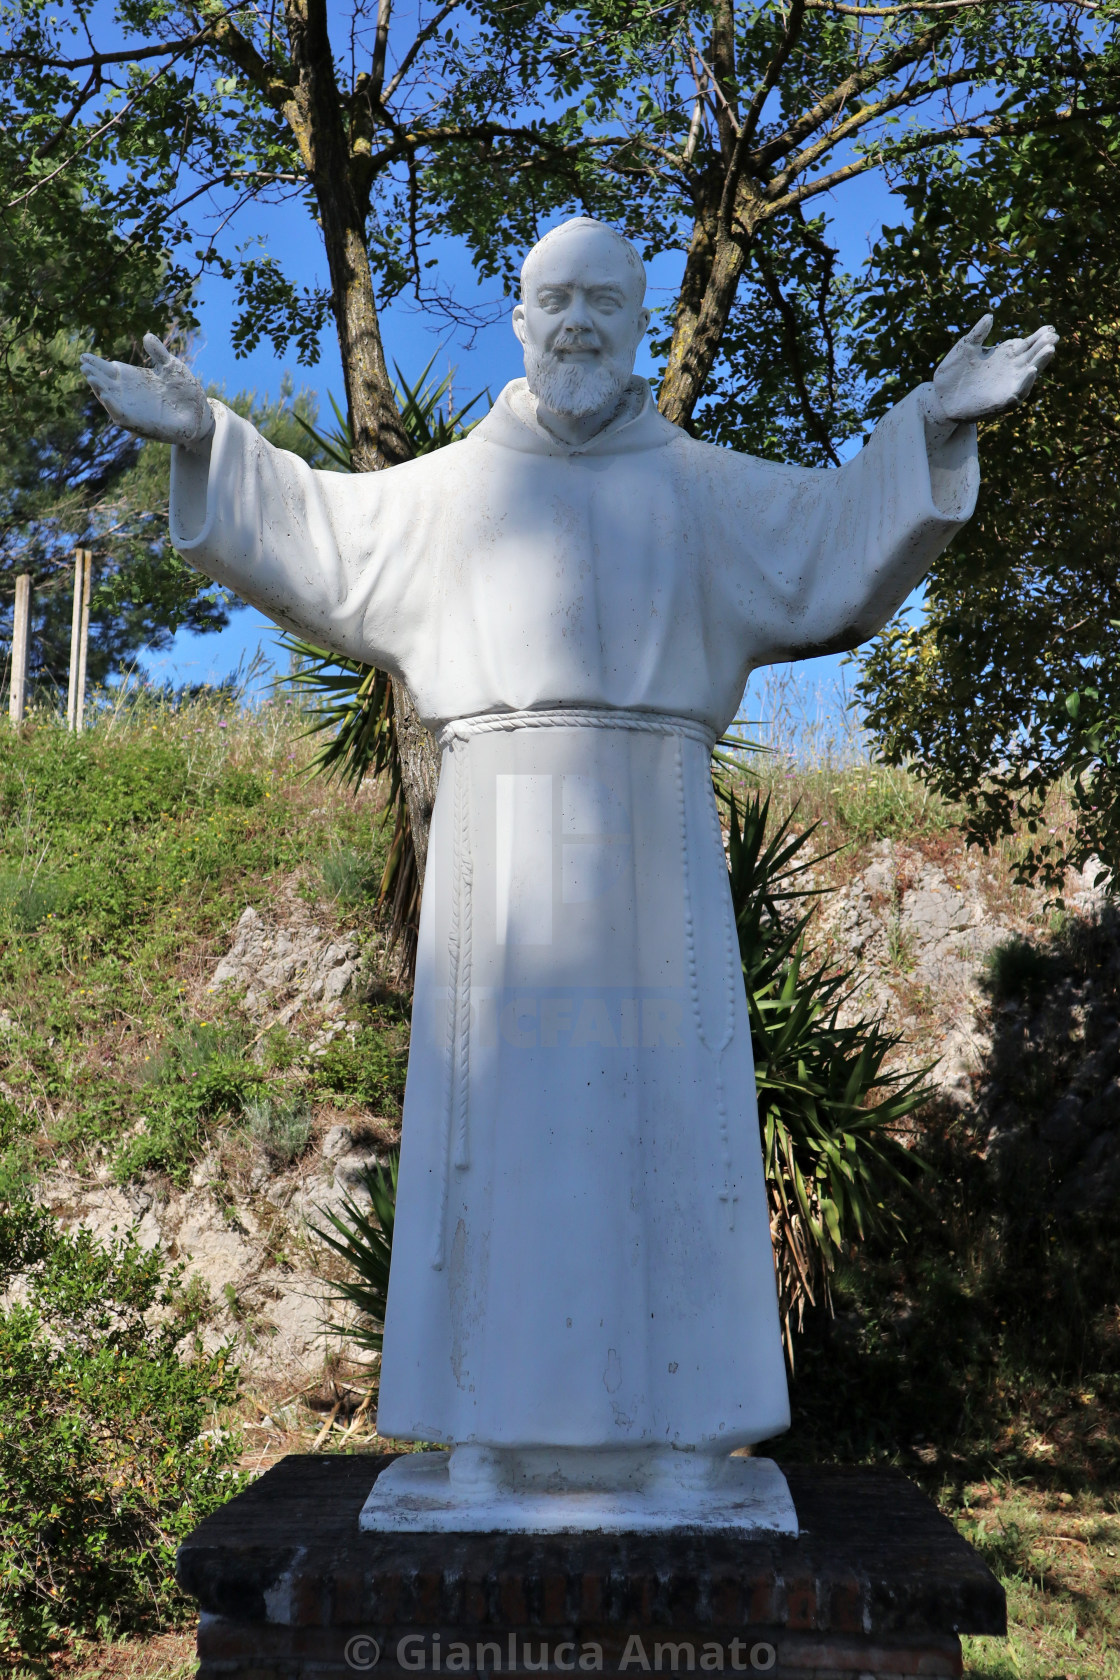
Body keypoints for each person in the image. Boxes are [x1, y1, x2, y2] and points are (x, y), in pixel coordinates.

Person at [82, 218, 1056, 1505]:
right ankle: (490, 1439)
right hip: (498, 857)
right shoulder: (451, 491)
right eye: (557, 298)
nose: (581, 320)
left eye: (606, 298)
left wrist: (934, 423)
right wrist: (209, 437)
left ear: (641, 320)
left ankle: (677, 1443)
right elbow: (319, 529)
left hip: (653, 844)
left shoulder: (701, 487)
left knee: (672, 1138)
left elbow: (832, 538)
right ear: (519, 319)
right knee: (497, 1140)